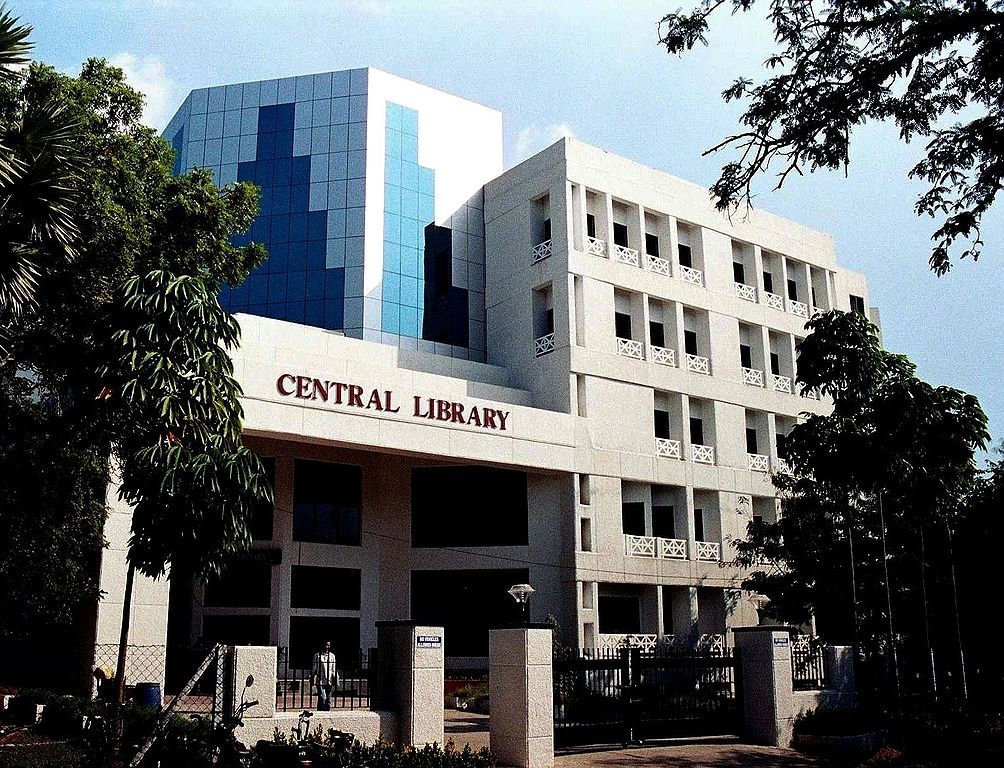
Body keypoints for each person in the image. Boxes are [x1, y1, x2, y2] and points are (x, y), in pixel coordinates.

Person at [311, 641, 337, 711]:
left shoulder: (332, 656)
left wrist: (334, 677)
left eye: (328, 645)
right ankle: (321, 710)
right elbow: (314, 667)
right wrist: (313, 675)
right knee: (323, 697)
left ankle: (325, 711)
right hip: (321, 678)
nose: (327, 647)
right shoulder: (317, 655)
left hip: (329, 679)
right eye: (326, 645)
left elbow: (333, 668)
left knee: (328, 699)